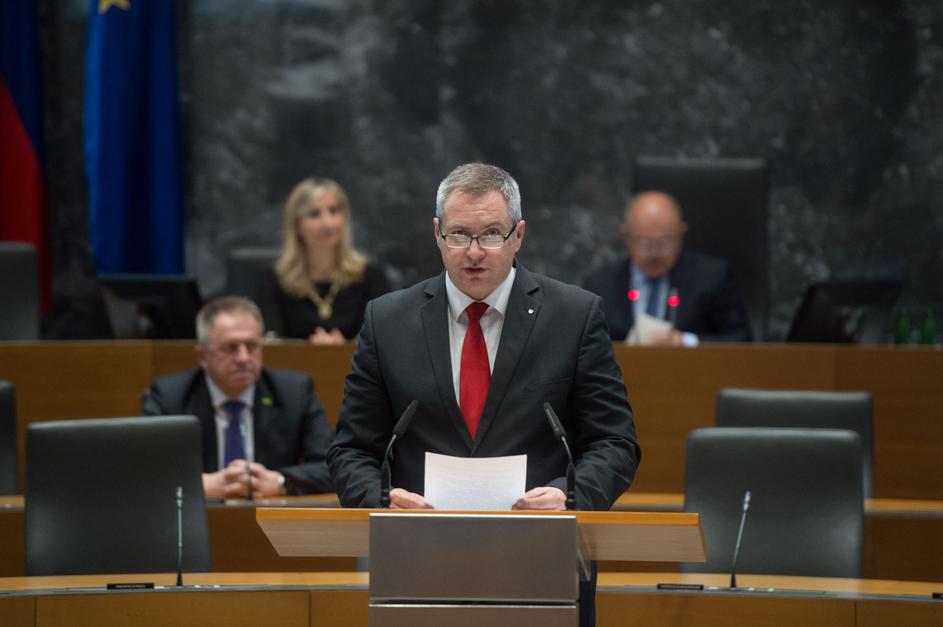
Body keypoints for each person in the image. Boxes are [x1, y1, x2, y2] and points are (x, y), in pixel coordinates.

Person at [328, 163, 640, 627]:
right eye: (459, 235)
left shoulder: (574, 316)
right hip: (420, 562)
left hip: (541, 563)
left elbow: (615, 443)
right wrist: (382, 498)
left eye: (492, 234)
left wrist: (568, 495)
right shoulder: (387, 321)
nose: (474, 252)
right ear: (437, 234)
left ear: (519, 236)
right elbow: (350, 451)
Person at [142, 296, 333, 498]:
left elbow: (334, 467)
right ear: (203, 356)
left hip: (269, 514)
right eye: (230, 348)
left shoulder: (294, 393)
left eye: (252, 346)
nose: (243, 358)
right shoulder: (169, 397)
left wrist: (280, 482)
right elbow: (143, 470)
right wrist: (196, 485)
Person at [582, 191, 752, 345]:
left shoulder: (711, 277)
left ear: (681, 234)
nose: (655, 252)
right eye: (644, 242)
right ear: (626, 236)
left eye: (665, 242)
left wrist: (686, 341)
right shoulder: (599, 286)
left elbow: (742, 339)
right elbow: (584, 346)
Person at [257, 177, 390, 345]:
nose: (327, 223)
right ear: (297, 225)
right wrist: (316, 352)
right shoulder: (275, 279)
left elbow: (382, 339)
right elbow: (272, 343)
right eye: (315, 214)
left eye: (334, 211)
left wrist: (342, 351)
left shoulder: (370, 275)